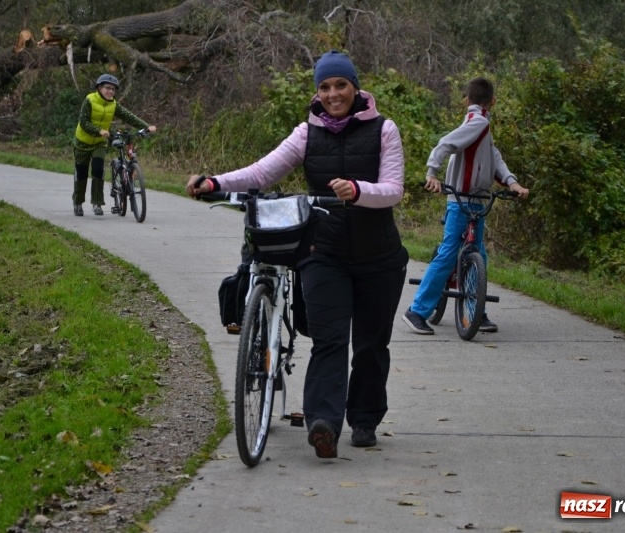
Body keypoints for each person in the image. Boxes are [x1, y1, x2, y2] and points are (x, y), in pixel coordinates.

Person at [187, 50, 409, 459]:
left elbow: (393, 188)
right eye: (324, 87)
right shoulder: (307, 133)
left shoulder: (384, 130)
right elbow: (261, 172)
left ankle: (364, 419)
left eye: (340, 84)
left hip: (380, 256)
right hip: (323, 251)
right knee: (329, 339)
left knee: (371, 345)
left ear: (355, 87)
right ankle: (322, 422)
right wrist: (214, 182)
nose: (332, 94)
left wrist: (359, 191)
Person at [402, 76, 529, 335]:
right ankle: (417, 310)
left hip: (476, 200)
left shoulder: (480, 125)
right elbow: (446, 143)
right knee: (450, 252)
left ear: (465, 101)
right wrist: (431, 172)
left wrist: (511, 183)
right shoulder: (478, 122)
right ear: (493, 101)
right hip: (462, 199)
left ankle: (477, 310)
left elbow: (494, 158)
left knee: (478, 254)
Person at [72, 74, 156, 216]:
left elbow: (128, 116)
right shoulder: (89, 100)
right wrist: (99, 130)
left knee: (98, 171)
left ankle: (97, 203)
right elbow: (83, 122)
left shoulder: (113, 104)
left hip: (99, 143)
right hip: (82, 142)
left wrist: (146, 127)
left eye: (113, 89)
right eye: (107, 88)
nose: (110, 92)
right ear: (99, 88)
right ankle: (78, 202)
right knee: (81, 174)